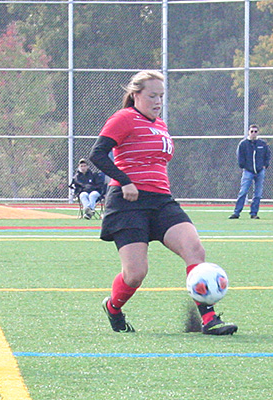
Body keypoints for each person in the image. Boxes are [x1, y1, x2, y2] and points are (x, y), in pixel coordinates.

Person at [89, 70, 237, 335]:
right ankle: (113, 307)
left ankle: (210, 320)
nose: (158, 101)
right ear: (136, 95)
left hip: (161, 201)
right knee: (135, 274)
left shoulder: (160, 124)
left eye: (161, 96)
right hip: (127, 203)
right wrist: (125, 181)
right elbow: (97, 155)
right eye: (152, 95)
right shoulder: (124, 118)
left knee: (195, 251)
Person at [229, 124, 271, 219]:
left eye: (255, 131)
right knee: (243, 192)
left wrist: (265, 165)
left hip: (260, 171)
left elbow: (267, 155)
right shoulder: (243, 144)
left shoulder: (262, 144)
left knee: (258, 193)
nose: (253, 133)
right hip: (248, 171)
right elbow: (240, 157)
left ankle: (254, 213)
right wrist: (244, 166)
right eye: (252, 131)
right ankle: (236, 212)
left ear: (258, 132)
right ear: (249, 132)